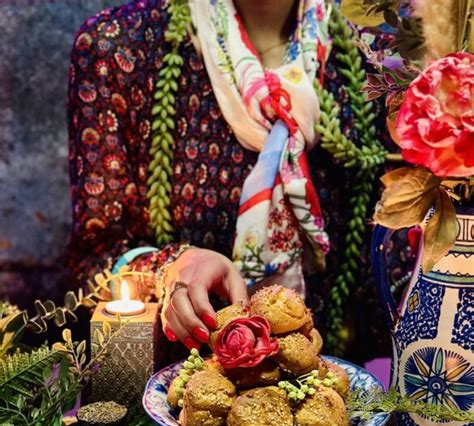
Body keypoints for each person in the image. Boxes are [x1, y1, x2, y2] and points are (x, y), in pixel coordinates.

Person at [67, 0, 410, 361]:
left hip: (343, 397)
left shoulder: (382, 55)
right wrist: (172, 268)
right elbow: (97, 258)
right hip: (177, 396)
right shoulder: (119, 47)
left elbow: (401, 261)